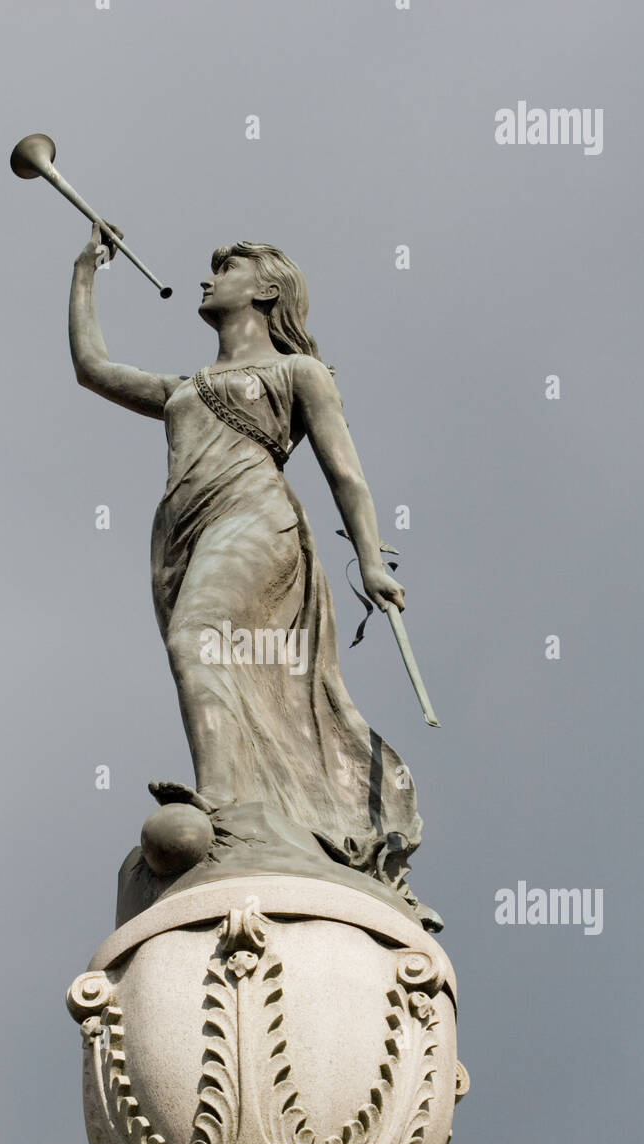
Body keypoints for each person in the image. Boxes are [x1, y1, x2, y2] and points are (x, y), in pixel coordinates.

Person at [69, 227, 433, 918]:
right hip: (183, 532)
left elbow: (344, 472)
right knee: (208, 658)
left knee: (196, 641)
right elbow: (93, 368)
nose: (209, 277)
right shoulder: (186, 387)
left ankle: (224, 808)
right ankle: (240, 797)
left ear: (266, 289)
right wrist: (85, 272)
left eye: (227, 267)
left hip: (257, 517)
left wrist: (369, 556)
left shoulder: (299, 374)